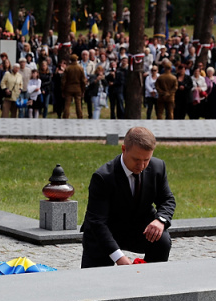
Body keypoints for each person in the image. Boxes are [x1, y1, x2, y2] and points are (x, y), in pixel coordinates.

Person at [81, 127, 175, 269]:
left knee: (162, 240)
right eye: (136, 159)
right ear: (124, 149)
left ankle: (152, 278)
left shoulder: (158, 167)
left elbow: (167, 199)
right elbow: (97, 222)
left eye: (146, 160)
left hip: (138, 230)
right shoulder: (103, 177)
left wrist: (160, 220)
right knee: (95, 278)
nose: (141, 166)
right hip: (104, 233)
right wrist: (119, 257)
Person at [62, 54, 87, 119]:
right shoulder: (80, 68)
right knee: (78, 104)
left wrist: (63, 90)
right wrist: (83, 89)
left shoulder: (67, 68)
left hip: (68, 88)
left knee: (67, 104)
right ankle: (80, 117)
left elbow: (63, 81)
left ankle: (65, 117)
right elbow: (83, 81)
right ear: (76, 59)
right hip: (78, 88)